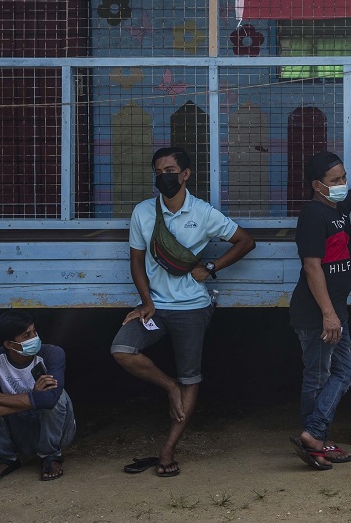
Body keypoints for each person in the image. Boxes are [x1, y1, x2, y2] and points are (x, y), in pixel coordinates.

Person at [111, 147, 255, 477]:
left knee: (191, 376)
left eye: (171, 170)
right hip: (155, 306)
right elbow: (135, 261)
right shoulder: (143, 212)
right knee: (121, 349)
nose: (165, 176)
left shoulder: (203, 213)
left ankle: (168, 450)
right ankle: (170, 387)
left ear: (186, 174)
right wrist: (146, 302)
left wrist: (211, 267)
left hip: (192, 308)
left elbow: (246, 241)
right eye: (159, 171)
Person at [289, 119, 351, 470]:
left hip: (335, 309)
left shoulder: (337, 208)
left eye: (342, 177)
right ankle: (315, 438)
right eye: (335, 180)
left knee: (342, 372)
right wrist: (328, 314)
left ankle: (314, 435)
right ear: (317, 185)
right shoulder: (313, 215)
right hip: (316, 313)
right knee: (319, 376)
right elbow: (313, 267)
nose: (343, 183)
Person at [0, 310, 76, 485]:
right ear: (9, 344)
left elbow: (50, 400)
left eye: (34, 331)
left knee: (58, 396)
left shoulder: (53, 353)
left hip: (58, 433)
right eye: (26, 335)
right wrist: (34, 399)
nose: (34, 337)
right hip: (19, 433)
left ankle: (51, 455)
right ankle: (6, 458)